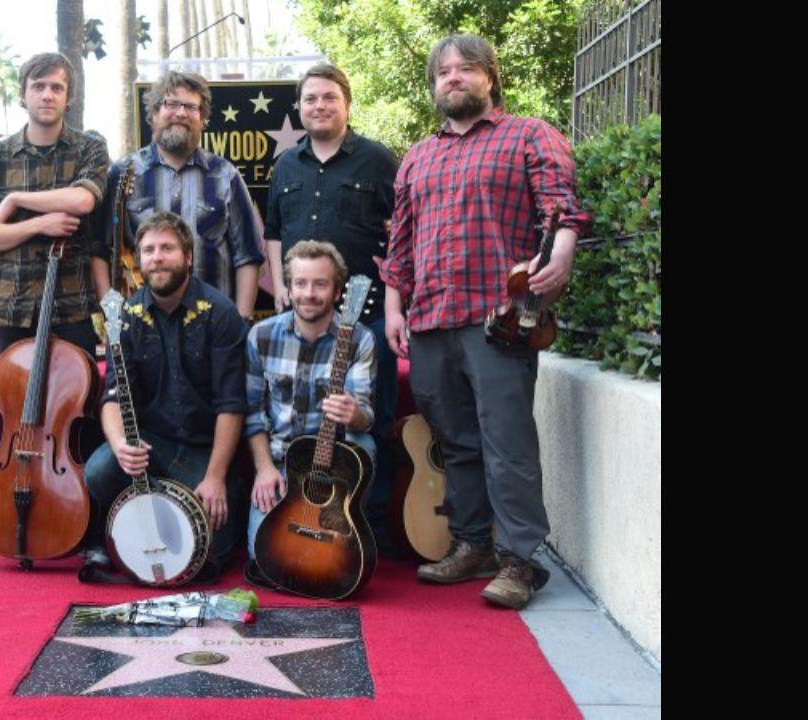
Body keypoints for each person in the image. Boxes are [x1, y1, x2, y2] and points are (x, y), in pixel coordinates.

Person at [381, 34, 592, 609]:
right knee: (456, 443)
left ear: (490, 78)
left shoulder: (528, 134)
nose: (454, 77)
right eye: (443, 71)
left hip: (499, 321)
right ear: (433, 86)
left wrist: (564, 253)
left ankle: (521, 561)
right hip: (428, 321)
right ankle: (472, 544)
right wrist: (395, 306)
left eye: (466, 68)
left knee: (508, 443)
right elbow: (399, 243)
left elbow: (561, 205)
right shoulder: (418, 157)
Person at [262, 63, 401, 553]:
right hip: (303, 313)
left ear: (346, 104)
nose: (319, 106)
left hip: (363, 318)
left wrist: (395, 306)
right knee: (301, 416)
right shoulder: (286, 165)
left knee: (369, 418)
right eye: (310, 99)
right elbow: (273, 233)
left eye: (328, 98)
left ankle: (369, 527)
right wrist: (281, 286)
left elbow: (399, 235)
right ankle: (295, 510)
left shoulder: (378, 161)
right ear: (299, 108)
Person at [80, 211, 247, 584]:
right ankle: (135, 521)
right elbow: (111, 397)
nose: (157, 257)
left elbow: (231, 404)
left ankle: (171, 508)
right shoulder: (124, 317)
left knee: (205, 561)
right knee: (98, 470)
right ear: (138, 260)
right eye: (149, 250)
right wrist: (121, 443)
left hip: (205, 451)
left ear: (188, 257)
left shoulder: (220, 314)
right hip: (152, 447)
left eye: (167, 248)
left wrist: (216, 477)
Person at [242, 240, 376, 581]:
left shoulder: (359, 339)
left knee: (367, 446)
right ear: (288, 286)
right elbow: (252, 412)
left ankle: (344, 518)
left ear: (337, 290)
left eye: (320, 284)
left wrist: (353, 412)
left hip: (333, 472)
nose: (309, 293)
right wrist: (263, 469)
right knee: (264, 558)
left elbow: (366, 415)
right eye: (300, 283)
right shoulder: (262, 335)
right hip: (281, 464)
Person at [0, 52, 110, 359]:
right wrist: (38, 224)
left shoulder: (90, 148)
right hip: (11, 305)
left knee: (75, 404)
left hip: (71, 304)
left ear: (68, 96)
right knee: (17, 403)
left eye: (57, 88)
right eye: (38, 86)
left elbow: (83, 200)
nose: (47, 95)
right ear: (23, 93)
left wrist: (16, 199)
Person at [99, 71, 264, 321]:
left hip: (213, 326)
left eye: (190, 106)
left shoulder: (225, 175)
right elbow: (100, 251)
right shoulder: (123, 173)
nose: (181, 113)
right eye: (171, 104)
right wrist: (113, 318)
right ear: (154, 115)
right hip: (143, 327)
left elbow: (248, 256)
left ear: (202, 119)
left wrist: (241, 321)